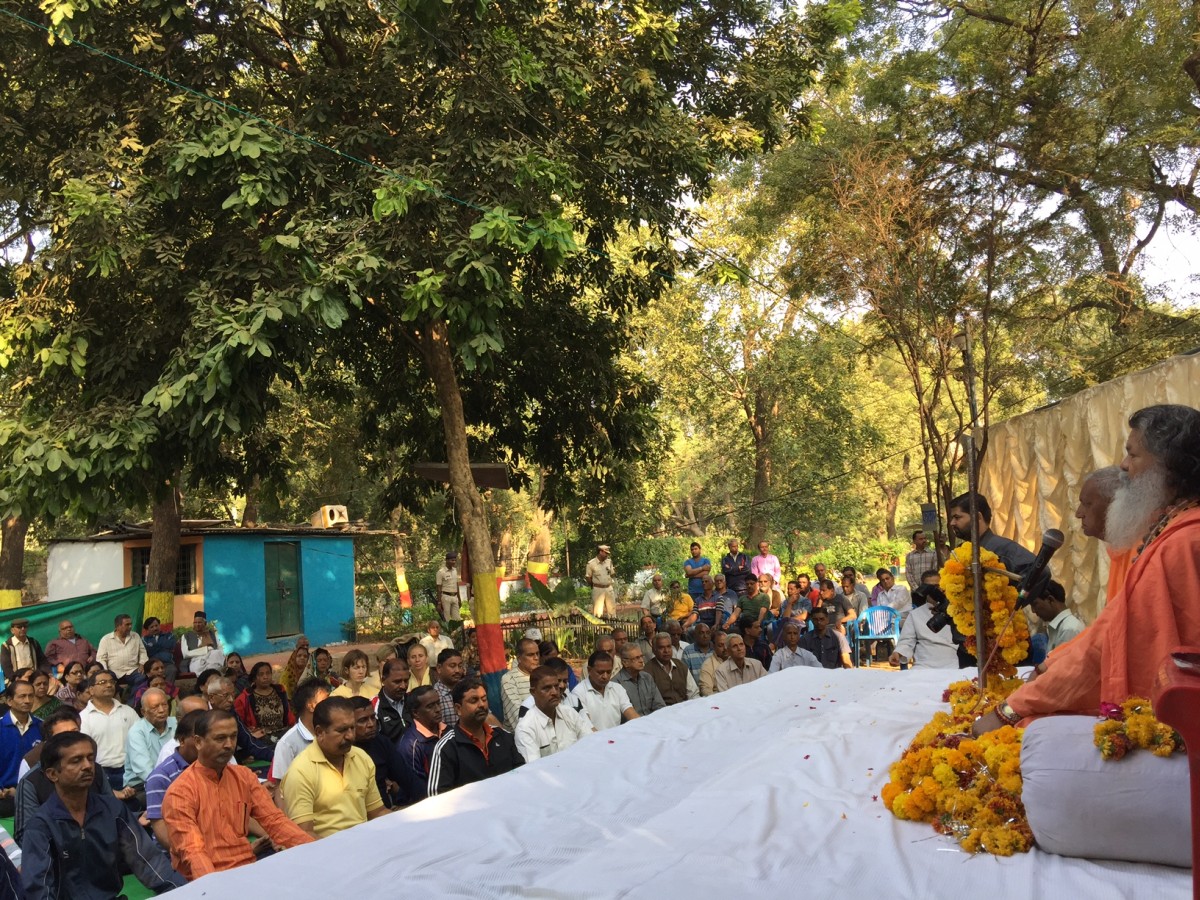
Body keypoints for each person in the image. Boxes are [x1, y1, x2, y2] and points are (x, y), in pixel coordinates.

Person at [975, 405, 1200, 734]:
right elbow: (1110, 627)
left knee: (1039, 734)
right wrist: (1051, 666)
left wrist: (1012, 710)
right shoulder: (1173, 530)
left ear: (1168, 464)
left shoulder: (1181, 544)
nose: (1123, 466)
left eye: (1133, 454)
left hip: (1177, 731)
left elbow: (1111, 644)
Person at [22, 732, 185, 899]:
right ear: (52, 774)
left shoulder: (113, 810)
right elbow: (39, 890)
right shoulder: (41, 826)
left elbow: (150, 862)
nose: (87, 766)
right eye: (76, 760)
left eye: (90, 758)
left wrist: (183, 893)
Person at [163, 709, 313, 879]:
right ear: (198, 742)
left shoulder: (244, 777)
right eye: (220, 738)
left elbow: (274, 821)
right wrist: (214, 889)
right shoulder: (180, 792)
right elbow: (193, 852)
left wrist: (315, 852)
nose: (229, 744)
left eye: (233, 736)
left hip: (247, 867)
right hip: (204, 880)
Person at [280, 697, 388, 837]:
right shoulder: (300, 772)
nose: (350, 736)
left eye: (352, 728)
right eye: (342, 730)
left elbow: (378, 812)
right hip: (326, 853)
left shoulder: (361, 758)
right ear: (319, 732)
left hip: (365, 845)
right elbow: (304, 835)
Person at [14, 707, 109, 846]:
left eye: (76, 733)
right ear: (49, 743)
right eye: (64, 737)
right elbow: (26, 835)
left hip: (101, 848)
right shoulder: (30, 782)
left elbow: (113, 814)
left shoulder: (95, 769)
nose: (74, 741)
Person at [427, 678, 523, 797]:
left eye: (484, 699)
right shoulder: (446, 748)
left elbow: (522, 775)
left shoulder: (503, 736)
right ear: (458, 709)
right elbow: (437, 799)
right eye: (474, 700)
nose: (481, 705)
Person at [144, 708, 206, 850]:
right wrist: (198, 857)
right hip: (177, 857)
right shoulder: (160, 777)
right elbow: (163, 833)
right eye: (198, 739)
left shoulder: (215, 768)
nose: (205, 745)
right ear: (182, 740)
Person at [1076, 465, 1134, 604]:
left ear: (1115, 504)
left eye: (1087, 504)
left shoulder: (1140, 550)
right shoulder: (1119, 547)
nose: (1078, 514)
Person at [948, 491, 1037, 576]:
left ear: (978, 517)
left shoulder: (1003, 549)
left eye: (957, 517)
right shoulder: (959, 551)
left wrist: (1021, 592)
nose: (952, 523)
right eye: (952, 518)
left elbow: (1041, 572)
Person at [78, 671, 138, 793]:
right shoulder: (83, 718)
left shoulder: (128, 712)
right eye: (102, 682)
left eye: (112, 682)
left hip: (130, 770)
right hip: (100, 772)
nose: (109, 685)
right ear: (91, 690)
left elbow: (139, 740)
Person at [514, 667, 591, 762]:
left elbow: (590, 744)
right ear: (533, 692)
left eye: (556, 686)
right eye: (547, 688)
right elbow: (535, 769)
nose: (554, 692)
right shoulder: (526, 728)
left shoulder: (569, 713)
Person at [888, 576, 960, 670]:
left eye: (937, 586)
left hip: (953, 664)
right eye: (929, 587)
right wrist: (898, 653)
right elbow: (907, 640)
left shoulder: (957, 613)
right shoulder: (915, 614)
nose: (934, 590)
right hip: (923, 665)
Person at [269, 678, 330, 786]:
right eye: (326, 700)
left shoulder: (331, 732)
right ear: (311, 705)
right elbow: (282, 787)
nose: (331, 705)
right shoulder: (287, 744)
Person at [391, 686, 446, 804]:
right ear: (416, 713)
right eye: (430, 706)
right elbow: (417, 790)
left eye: (438, 703)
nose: (437, 709)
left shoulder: (449, 731)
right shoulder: (410, 746)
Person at [203, 676, 273, 764]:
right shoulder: (201, 713)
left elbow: (247, 740)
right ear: (211, 698)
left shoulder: (231, 711)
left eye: (233, 695)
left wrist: (275, 757)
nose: (231, 700)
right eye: (226, 695)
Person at [123, 687, 175, 793]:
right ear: (143, 712)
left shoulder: (176, 723)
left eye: (164, 705)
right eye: (155, 707)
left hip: (175, 781)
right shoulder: (137, 732)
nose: (161, 710)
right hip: (141, 785)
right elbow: (145, 771)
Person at [0, 682, 41, 816]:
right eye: (22, 696)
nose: (27, 701)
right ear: (9, 701)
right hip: (4, 795)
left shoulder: (42, 726)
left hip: (36, 794)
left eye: (31, 696)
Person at [349, 696, 397, 808]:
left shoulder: (381, 742)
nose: (371, 724)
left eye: (373, 717)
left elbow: (408, 779)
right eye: (362, 720)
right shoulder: (344, 750)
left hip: (384, 811)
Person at [570, 651, 637, 731]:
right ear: (589, 670)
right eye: (600, 672)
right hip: (592, 740)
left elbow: (631, 713)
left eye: (608, 672)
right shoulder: (578, 693)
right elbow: (587, 727)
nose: (605, 676)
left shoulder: (617, 688)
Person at [234, 661, 294, 741]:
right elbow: (239, 723)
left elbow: (289, 714)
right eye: (261, 674)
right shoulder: (245, 697)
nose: (265, 677)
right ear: (254, 678)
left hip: (283, 734)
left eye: (268, 673)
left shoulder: (280, 691)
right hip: (260, 739)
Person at [1030, 580, 1087, 652]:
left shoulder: (1069, 629)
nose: (1033, 611)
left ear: (1050, 600)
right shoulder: (1061, 627)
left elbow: (1063, 663)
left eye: (1035, 604)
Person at [95, 614, 148, 689]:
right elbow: (101, 659)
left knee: (142, 679)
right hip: (114, 672)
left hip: (132, 670)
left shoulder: (135, 636)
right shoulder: (106, 639)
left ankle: (133, 700)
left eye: (130, 624)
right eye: (127, 625)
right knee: (108, 683)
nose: (130, 627)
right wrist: (105, 672)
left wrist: (142, 663)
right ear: (118, 626)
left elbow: (142, 651)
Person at [613, 644, 665, 716]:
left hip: (652, 722)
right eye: (637, 658)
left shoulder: (647, 678)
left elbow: (659, 705)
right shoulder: (616, 683)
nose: (641, 661)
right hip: (630, 725)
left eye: (641, 656)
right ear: (625, 663)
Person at [646, 633, 698, 705]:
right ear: (654, 650)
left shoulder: (680, 665)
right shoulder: (647, 671)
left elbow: (693, 693)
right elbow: (649, 702)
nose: (666, 651)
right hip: (662, 711)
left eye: (669, 646)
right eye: (661, 647)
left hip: (685, 708)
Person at [500, 638, 540, 731]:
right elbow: (517, 716)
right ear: (519, 658)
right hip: (522, 735)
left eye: (537, 653)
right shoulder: (509, 679)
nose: (536, 658)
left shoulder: (544, 675)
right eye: (530, 655)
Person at [372, 657, 410, 743]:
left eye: (406, 681)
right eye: (397, 682)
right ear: (383, 680)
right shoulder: (373, 707)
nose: (403, 686)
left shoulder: (414, 701)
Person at [1, 619, 46, 684]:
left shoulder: (33, 643)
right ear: (12, 630)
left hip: (34, 677)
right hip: (15, 679)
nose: (23, 629)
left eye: (25, 627)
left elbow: (42, 660)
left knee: (53, 684)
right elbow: (6, 667)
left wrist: (47, 673)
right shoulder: (6, 646)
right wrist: (15, 679)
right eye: (19, 627)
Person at [182, 611, 225, 676]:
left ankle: (212, 676)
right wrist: (206, 649)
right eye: (195, 622)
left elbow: (220, 649)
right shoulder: (186, 636)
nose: (197, 625)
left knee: (217, 654)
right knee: (209, 670)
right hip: (196, 661)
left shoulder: (211, 634)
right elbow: (185, 654)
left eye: (199, 622)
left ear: (205, 623)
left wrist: (211, 652)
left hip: (211, 660)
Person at [433, 648, 466, 728]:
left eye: (460, 666)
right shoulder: (435, 696)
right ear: (439, 668)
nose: (458, 670)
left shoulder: (467, 688)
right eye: (452, 666)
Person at [585, 544, 617, 618]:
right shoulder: (591, 563)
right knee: (598, 613)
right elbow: (588, 577)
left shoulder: (609, 562)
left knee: (612, 611)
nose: (607, 555)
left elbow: (612, 573)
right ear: (600, 552)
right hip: (598, 588)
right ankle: (599, 629)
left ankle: (614, 628)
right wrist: (593, 585)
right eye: (606, 553)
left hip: (609, 588)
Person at [698, 631, 730, 697]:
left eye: (726, 644)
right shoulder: (707, 665)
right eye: (720, 645)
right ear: (713, 646)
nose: (725, 648)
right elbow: (706, 690)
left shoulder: (735, 659)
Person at [435, 550, 462, 622]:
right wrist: (439, 603)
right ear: (447, 560)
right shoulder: (441, 572)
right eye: (452, 560)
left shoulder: (455, 571)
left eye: (455, 560)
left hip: (455, 597)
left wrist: (459, 598)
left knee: (457, 619)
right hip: (446, 597)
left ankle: (457, 633)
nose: (454, 562)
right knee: (447, 619)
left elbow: (457, 585)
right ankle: (448, 633)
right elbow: (438, 588)